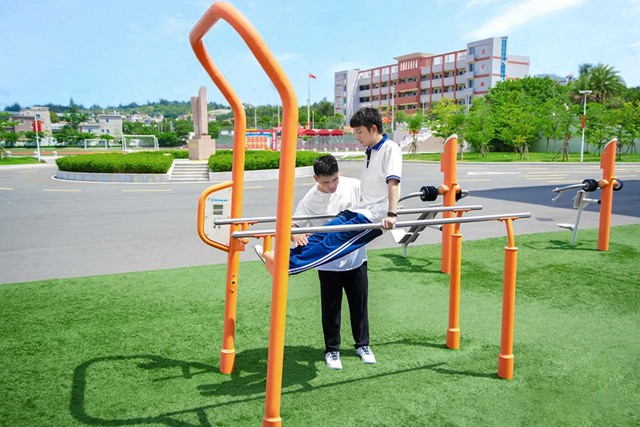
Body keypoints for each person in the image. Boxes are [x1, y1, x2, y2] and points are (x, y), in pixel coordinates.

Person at [260, 106, 402, 277]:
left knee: (334, 240)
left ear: (373, 128)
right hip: (361, 209)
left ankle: (288, 266)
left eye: (359, 132)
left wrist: (391, 214)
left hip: (375, 215)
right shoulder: (370, 151)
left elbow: (393, 182)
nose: (357, 137)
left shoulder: (390, 148)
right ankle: (282, 257)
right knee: (325, 232)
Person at [284, 154, 375, 369]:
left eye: (335, 179)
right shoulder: (310, 199)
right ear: (316, 179)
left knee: (359, 305)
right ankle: (332, 350)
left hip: (356, 259)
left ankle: (363, 345)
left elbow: (375, 203)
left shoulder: (354, 186)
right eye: (326, 182)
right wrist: (295, 234)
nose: (332, 186)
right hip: (328, 265)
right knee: (331, 308)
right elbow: (293, 225)